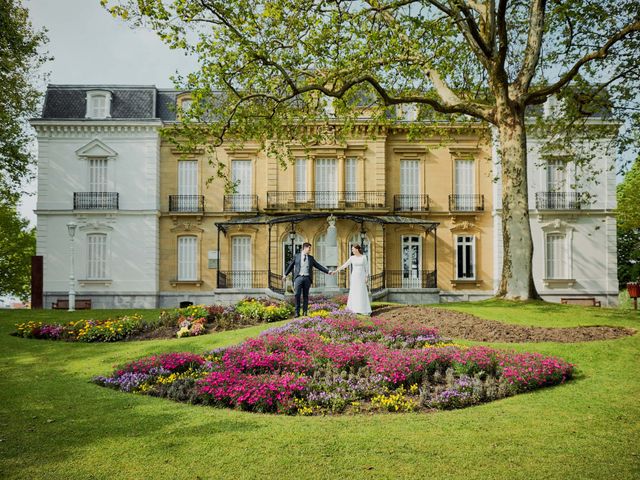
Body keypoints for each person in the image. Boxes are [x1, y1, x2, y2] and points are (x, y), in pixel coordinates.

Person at [283, 242, 330, 317]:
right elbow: (291, 265)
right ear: (305, 248)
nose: (310, 250)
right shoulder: (297, 256)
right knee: (297, 294)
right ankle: (297, 312)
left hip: (307, 278)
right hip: (298, 277)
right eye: (309, 248)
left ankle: (305, 312)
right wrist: (285, 274)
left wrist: (327, 271)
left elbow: (318, 266)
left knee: (305, 296)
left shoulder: (311, 258)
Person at [331, 244, 372, 315]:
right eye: (352, 249)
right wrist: (336, 271)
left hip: (361, 277)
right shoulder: (352, 258)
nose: (352, 250)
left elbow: (366, 268)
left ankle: (362, 309)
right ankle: (353, 309)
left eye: (353, 249)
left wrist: (366, 277)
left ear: (357, 249)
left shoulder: (364, 257)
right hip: (354, 277)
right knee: (354, 292)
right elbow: (345, 265)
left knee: (361, 292)